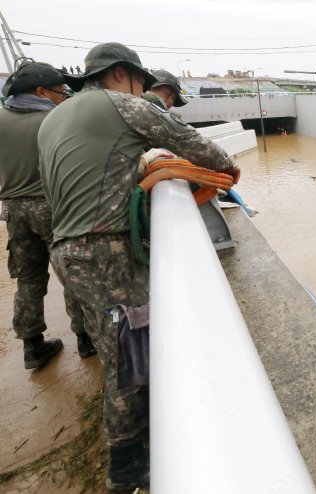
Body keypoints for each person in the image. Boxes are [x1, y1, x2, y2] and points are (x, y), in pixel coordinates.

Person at [38, 42, 239, 491]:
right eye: (139, 81)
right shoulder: (122, 104)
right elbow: (188, 141)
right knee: (128, 358)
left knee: (115, 348)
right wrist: (226, 168)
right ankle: (127, 464)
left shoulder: (53, 117)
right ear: (120, 75)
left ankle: (133, 448)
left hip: (67, 250)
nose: (141, 89)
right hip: (101, 253)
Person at [0, 61, 95, 370]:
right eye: (60, 91)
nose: (63, 98)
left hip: (14, 209)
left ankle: (32, 346)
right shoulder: (54, 121)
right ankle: (86, 339)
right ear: (40, 91)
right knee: (72, 272)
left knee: (27, 277)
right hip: (53, 206)